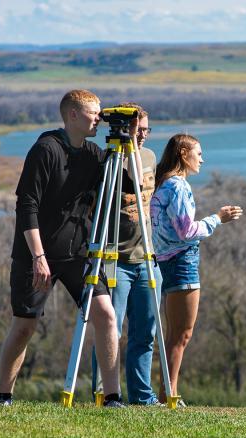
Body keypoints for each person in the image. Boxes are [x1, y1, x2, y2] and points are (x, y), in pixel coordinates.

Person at [0, 89, 125, 408]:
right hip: (36, 254)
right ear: (73, 115)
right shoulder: (45, 150)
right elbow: (27, 205)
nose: (99, 118)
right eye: (94, 113)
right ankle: (3, 396)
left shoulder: (93, 153)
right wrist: (38, 256)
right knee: (25, 325)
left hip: (78, 254)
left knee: (106, 314)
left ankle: (112, 397)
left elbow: (124, 186)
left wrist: (130, 144)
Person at [149, 133, 243, 405]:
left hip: (164, 261)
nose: (202, 159)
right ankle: (170, 396)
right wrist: (218, 219)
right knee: (181, 335)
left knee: (172, 334)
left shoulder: (161, 184)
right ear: (183, 154)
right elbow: (186, 230)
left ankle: (168, 392)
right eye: (198, 153)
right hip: (182, 263)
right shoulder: (177, 186)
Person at [108, 102, 162, 405]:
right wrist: (125, 148)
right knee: (109, 334)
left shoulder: (150, 157)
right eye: (136, 129)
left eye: (145, 130)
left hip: (146, 257)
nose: (141, 136)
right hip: (117, 259)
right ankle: (105, 393)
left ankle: (142, 397)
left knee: (145, 334)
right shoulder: (110, 157)